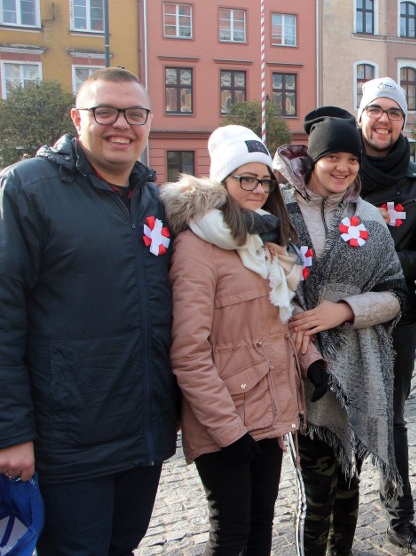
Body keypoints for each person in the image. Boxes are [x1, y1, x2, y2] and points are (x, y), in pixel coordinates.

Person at [0, 67, 179, 553]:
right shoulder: (28, 189)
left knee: (123, 546)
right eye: (105, 111)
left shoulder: (151, 197)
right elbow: (4, 316)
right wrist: (10, 431)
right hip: (69, 438)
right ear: (78, 118)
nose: (121, 124)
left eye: (135, 113)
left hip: (142, 434)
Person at [162, 125, 328, 554]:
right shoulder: (196, 245)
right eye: (245, 179)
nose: (257, 190)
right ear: (222, 181)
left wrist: (311, 360)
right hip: (226, 418)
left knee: (260, 525)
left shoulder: (258, 236)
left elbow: (277, 314)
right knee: (231, 532)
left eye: (264, 180)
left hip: (268, 409)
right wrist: (227, 430)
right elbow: (188, 351)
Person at [272, 106, 407, 556]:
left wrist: (345, 310)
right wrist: (302, 321)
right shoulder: (280, 209)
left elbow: (396, 296)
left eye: (351, 159)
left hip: (359, 366)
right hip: (304, 369)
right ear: (314, 159)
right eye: (332, 158)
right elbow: (264, 281)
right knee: (316, 493)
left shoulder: (368, 216)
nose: (343, 168)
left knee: (349, 485)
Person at [354, 77, 416, 556]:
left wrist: (381, 257)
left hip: (395, 314)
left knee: (391, 418)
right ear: (361, 115)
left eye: (393, 111)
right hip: (337, 316)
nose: (383, 118)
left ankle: (400, 518)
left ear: (403, 120)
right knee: (335, 417)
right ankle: (334, 519)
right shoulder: (340, 169)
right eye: (375, 109)